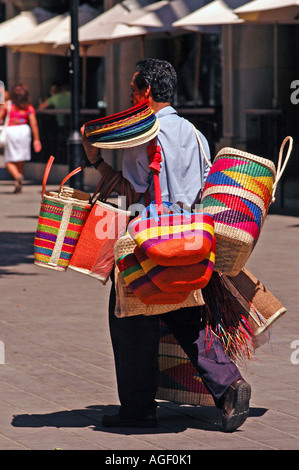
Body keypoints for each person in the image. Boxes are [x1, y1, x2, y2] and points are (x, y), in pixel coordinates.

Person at [81, 58, 251, 433]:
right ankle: (230, 385)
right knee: (186, 317)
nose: (129, 96)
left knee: (131, 322)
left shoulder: (143, 134)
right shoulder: (194, 133)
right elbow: (205, 186)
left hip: (149, 244)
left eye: (132, 90)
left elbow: (130, 192)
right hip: (191, 240)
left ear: (146, 92)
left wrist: (96, 162)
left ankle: (138, 409)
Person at [0, 83, 42, 193]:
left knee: (8, 160)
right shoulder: (29, 107)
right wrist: (36, 139)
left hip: (11, 131)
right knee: (20, 160)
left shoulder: (8, 105)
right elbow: (34, 123)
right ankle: (18, 182)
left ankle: (17, 176)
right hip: (24, 131)